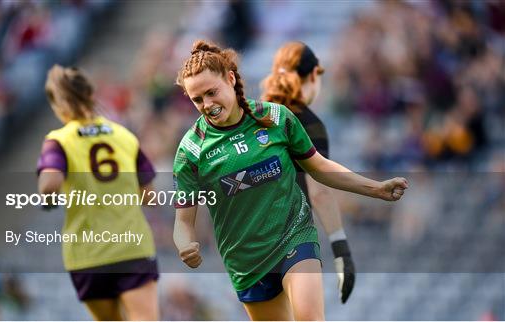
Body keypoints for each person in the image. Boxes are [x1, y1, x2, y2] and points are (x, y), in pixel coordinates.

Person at [172, 40, 407, 321]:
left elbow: (320, 167)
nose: (207, 104)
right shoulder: (191, 151)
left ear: (231, 79)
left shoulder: (275, 118)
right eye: (198, 100)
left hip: (294, 236)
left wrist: (375, 188)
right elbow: (183, 222)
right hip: (246, 261)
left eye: (212, 93)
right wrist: (184, 245)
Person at [37, 65, 159, 321]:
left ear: (57, 106)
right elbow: (149, 195)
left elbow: (49, 183)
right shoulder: (124, 136)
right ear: (92, 96)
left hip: (87, 254)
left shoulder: (59, 141)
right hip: (131, 245)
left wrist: (48, 199)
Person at [261, 41, 355, 304]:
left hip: (248, 248)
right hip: (291, 243)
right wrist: (341, 249)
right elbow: (320, 191)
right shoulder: (308, 124)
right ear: (314, 75)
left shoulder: (252, 119)